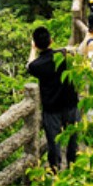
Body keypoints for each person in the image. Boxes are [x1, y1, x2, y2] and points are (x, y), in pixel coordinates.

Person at [27, 26, 79, 171]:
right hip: (70, 104)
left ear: (36, 45)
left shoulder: (37, 65)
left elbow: (29, 65)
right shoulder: (64, 56)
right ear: (51, 40)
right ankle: (73, 166)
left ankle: (55, 169)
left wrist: (33, 50)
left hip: (51, 108)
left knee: (54, 142)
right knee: (73, 138)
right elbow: (75, 50)